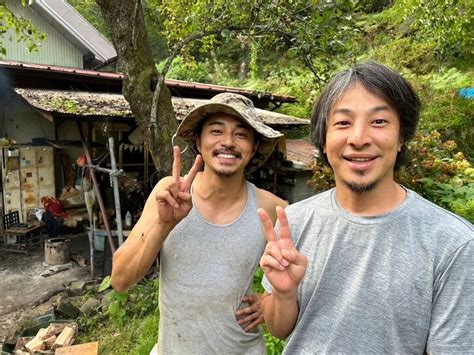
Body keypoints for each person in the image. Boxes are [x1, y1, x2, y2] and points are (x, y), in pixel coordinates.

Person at [258, 61, 474, 353]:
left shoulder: (453, 243)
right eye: (343, 123)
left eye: (379, 122)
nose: (359, 139)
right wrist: (284, 295)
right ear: (322, 140)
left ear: (402, 138)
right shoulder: (295, 221)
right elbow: (279, 329)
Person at [110, 93, 287, 354]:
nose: (228, 142)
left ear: (254, 146)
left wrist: (272, 300)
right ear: (198, 140)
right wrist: (164, 224)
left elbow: (305, 275)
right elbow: (120, 280)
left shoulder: (270, 207)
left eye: (241, 134)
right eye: (216, 131)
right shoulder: (169, 194)